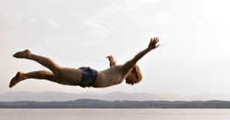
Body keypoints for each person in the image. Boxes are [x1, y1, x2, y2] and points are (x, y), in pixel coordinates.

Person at [9, 37, 160, 89]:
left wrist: (111, 59)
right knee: (58, 70)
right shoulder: (125, 70)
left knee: (52, 77)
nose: (132, 83)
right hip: (90, 76)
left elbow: (112, 66)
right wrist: (148, 49)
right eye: (135, 81)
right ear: (134, 72)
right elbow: (135, 59)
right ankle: (30, 55)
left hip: (86, 81)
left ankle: (24, 76)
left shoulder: (119, 72)